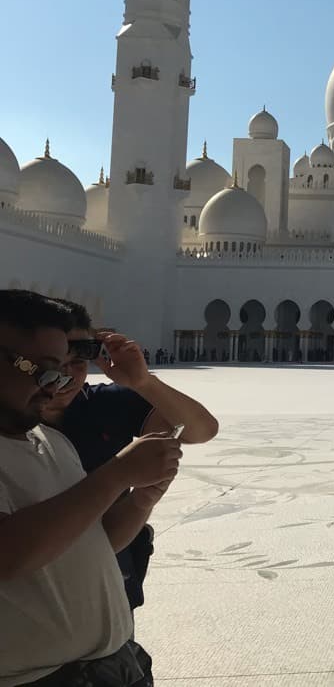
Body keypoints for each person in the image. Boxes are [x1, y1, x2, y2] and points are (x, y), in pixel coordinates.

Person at [0, 289, 183, 686]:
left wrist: (142, 498)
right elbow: (7, 554)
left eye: (65, 370)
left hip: (115, 666)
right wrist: (116, 474)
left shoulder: (51, 442)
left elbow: (96, 541)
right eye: (43, 369)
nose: (56, 386)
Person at [40, 300, 219, 610]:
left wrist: (143, 382)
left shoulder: (103, 405)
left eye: (79, 360)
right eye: (53, 362)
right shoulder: (14, 426)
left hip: (109, 586)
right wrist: (122, 473)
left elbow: (200, 429)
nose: (65, 375)